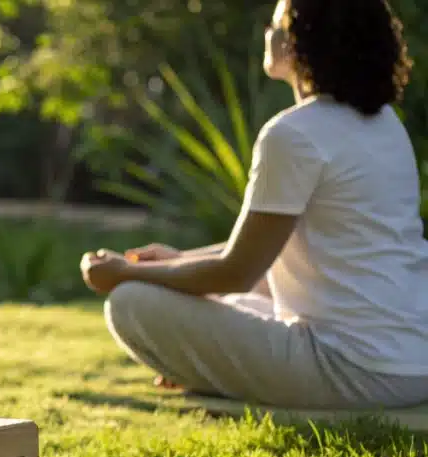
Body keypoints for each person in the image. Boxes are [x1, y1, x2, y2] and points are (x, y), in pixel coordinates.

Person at [80, 0, 428, 409]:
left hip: (352, 371)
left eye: (277, 23)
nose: (268, 32)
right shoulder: (384, 124)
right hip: (413, 364)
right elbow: (264, 260)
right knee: (227, 303)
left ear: (300, 43)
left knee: (131, 301)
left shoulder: (294, 134)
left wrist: (123, 273)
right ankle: (215, 367)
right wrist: (173, 262)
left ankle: (209, 374)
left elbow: (237, 271)